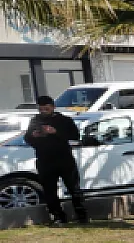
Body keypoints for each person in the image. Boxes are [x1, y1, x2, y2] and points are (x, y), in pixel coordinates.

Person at [23, 95, 88, 225]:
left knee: (73, 188)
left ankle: (82, 216)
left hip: (64, 159)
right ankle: (58, 216)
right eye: (41, 109)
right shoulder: (35, 120)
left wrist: (55, 132)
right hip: (44, 160)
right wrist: (33, 135)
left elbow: (74, 136)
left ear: (53, 107)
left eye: (46, 109)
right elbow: (27, 138)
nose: (43, 111)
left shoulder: (64, 120)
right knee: (49, 190)